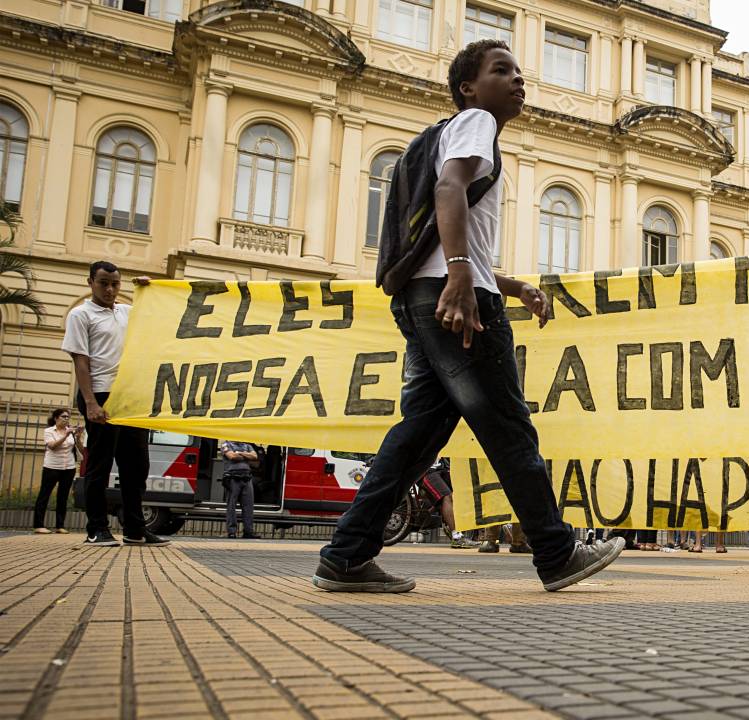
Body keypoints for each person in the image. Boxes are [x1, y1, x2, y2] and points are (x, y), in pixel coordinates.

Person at [314, 40, 624, 593]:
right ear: (468, 88)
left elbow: (447, 230)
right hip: (456, 301)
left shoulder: (449, 133)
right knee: (508, 427)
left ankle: (346, 556)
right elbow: (449, 188)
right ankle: (555, 553)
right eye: (501, 70)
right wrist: (462, 277)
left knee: (416, 437)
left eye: (519, 70)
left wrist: (508, 283)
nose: (518, 79)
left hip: (427, 296)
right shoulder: (475, 121)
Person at [62, 262, 168, 547]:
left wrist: (150, 290)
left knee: (136, 465)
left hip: (129, 397)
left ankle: (135, 529)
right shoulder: (80, 315)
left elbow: (157, 315)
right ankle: (97, 528)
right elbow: (80, 362)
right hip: (100, 395)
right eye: (103, 283)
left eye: (115, 284)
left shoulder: (126, 311)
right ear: (90, 282)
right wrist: (90, 403)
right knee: (100, 464)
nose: (110, 289)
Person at [34, 408, 83, 534]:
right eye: (63, 416)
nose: (66, 419)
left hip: (69, 467)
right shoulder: (49, 431)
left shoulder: (70, 432)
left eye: (68, 417)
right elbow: (52, 446)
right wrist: (65, 435)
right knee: (44, 495)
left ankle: (60, 526)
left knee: (63, 497)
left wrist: (77, 437)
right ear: (56, 418)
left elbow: (82, 450)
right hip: (52, 467)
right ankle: (38, 525)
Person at [220, 439, 260, 539]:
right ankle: (232, 532)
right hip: (232, 478)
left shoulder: (247, 445)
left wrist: (240, 453)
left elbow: (255, 457)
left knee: (248, 507)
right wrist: (247, 456)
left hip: (247, 478)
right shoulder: (226, 444)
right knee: (231, 506)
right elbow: (232, 456)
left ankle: (248, 532)